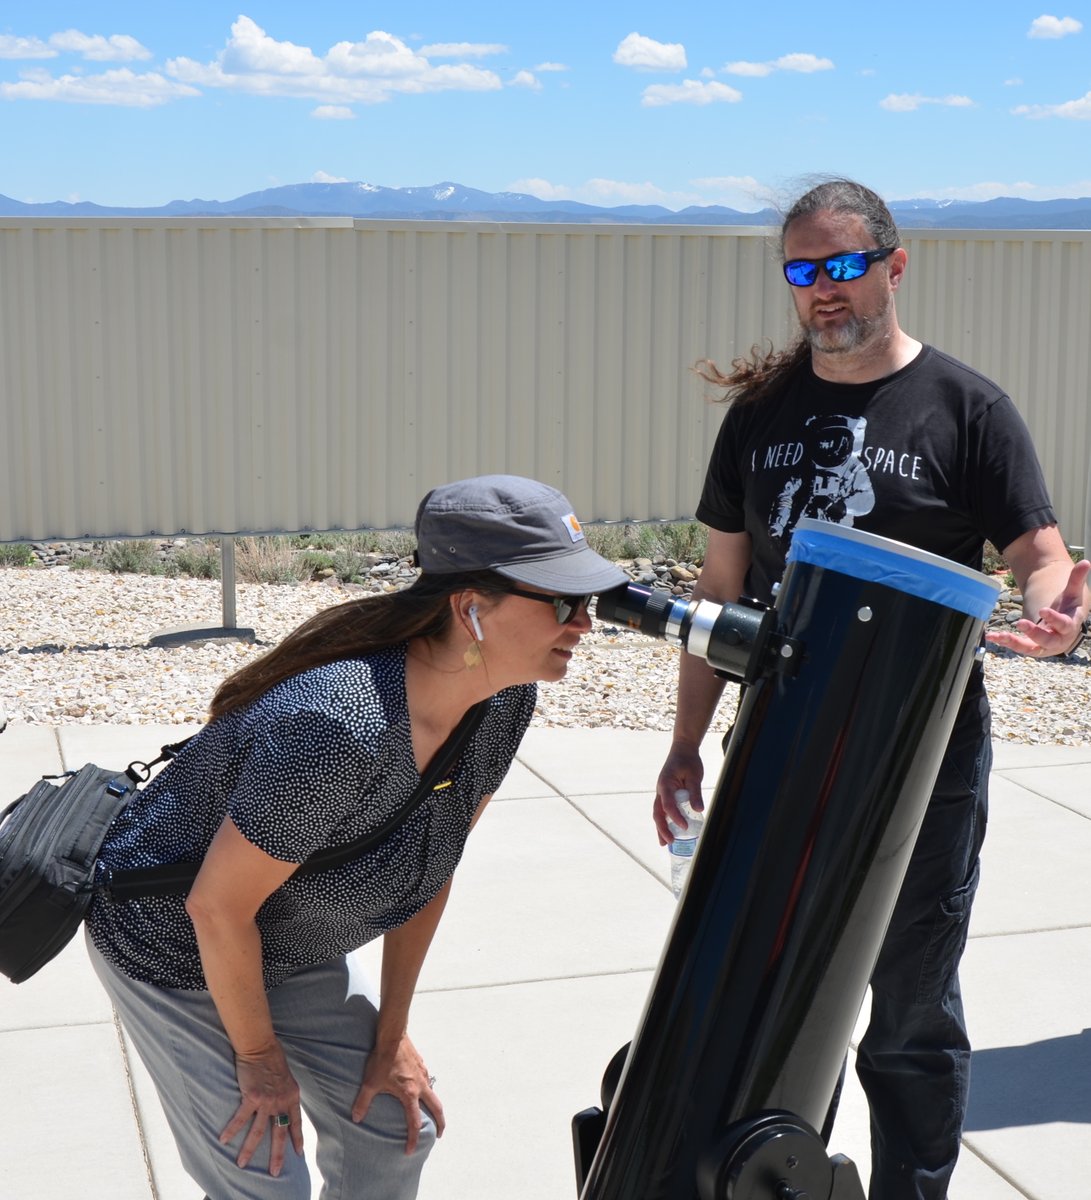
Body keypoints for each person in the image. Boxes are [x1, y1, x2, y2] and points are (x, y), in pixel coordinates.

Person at [654, 179, 1090, 1200]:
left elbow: (1036, 548)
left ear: (893, 266)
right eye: (800, 272)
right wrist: (682, 742)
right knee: (764, 998)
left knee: (906, 1006)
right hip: (775, 744)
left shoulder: (965, 407)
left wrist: (1054, 605)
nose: (820, 290)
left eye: (840, 265)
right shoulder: (757, 417)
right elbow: (720, 588)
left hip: (919, 757)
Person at [85, 474, 628, 1200]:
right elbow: (216, 909)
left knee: (396, 1127)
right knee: (265, 1175)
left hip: (287, 935)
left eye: (588, 603)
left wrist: (390, 1035)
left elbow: (432, 865)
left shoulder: (500, 704)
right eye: (563, 603)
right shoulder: (338, 728)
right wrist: (260, 1059)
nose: (584, 624)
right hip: (175, 945)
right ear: (470, 609)